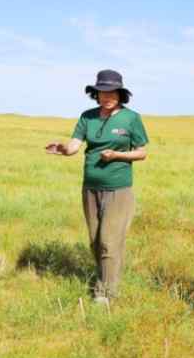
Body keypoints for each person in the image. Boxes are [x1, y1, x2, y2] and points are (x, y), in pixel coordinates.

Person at [45, 69, 149, 305]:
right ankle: (104, 277)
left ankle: (106, 293)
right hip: (90, 188)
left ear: (120, 94)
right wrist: (61, 149)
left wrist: (117, 156)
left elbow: (142, 153)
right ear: (96, 93)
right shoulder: (88, 117)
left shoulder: (131, 118)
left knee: (109, 240)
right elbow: (74, 146)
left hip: (118, 189)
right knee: (95, 241)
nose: (107, 96)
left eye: (112, 91)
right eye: (102, 91)